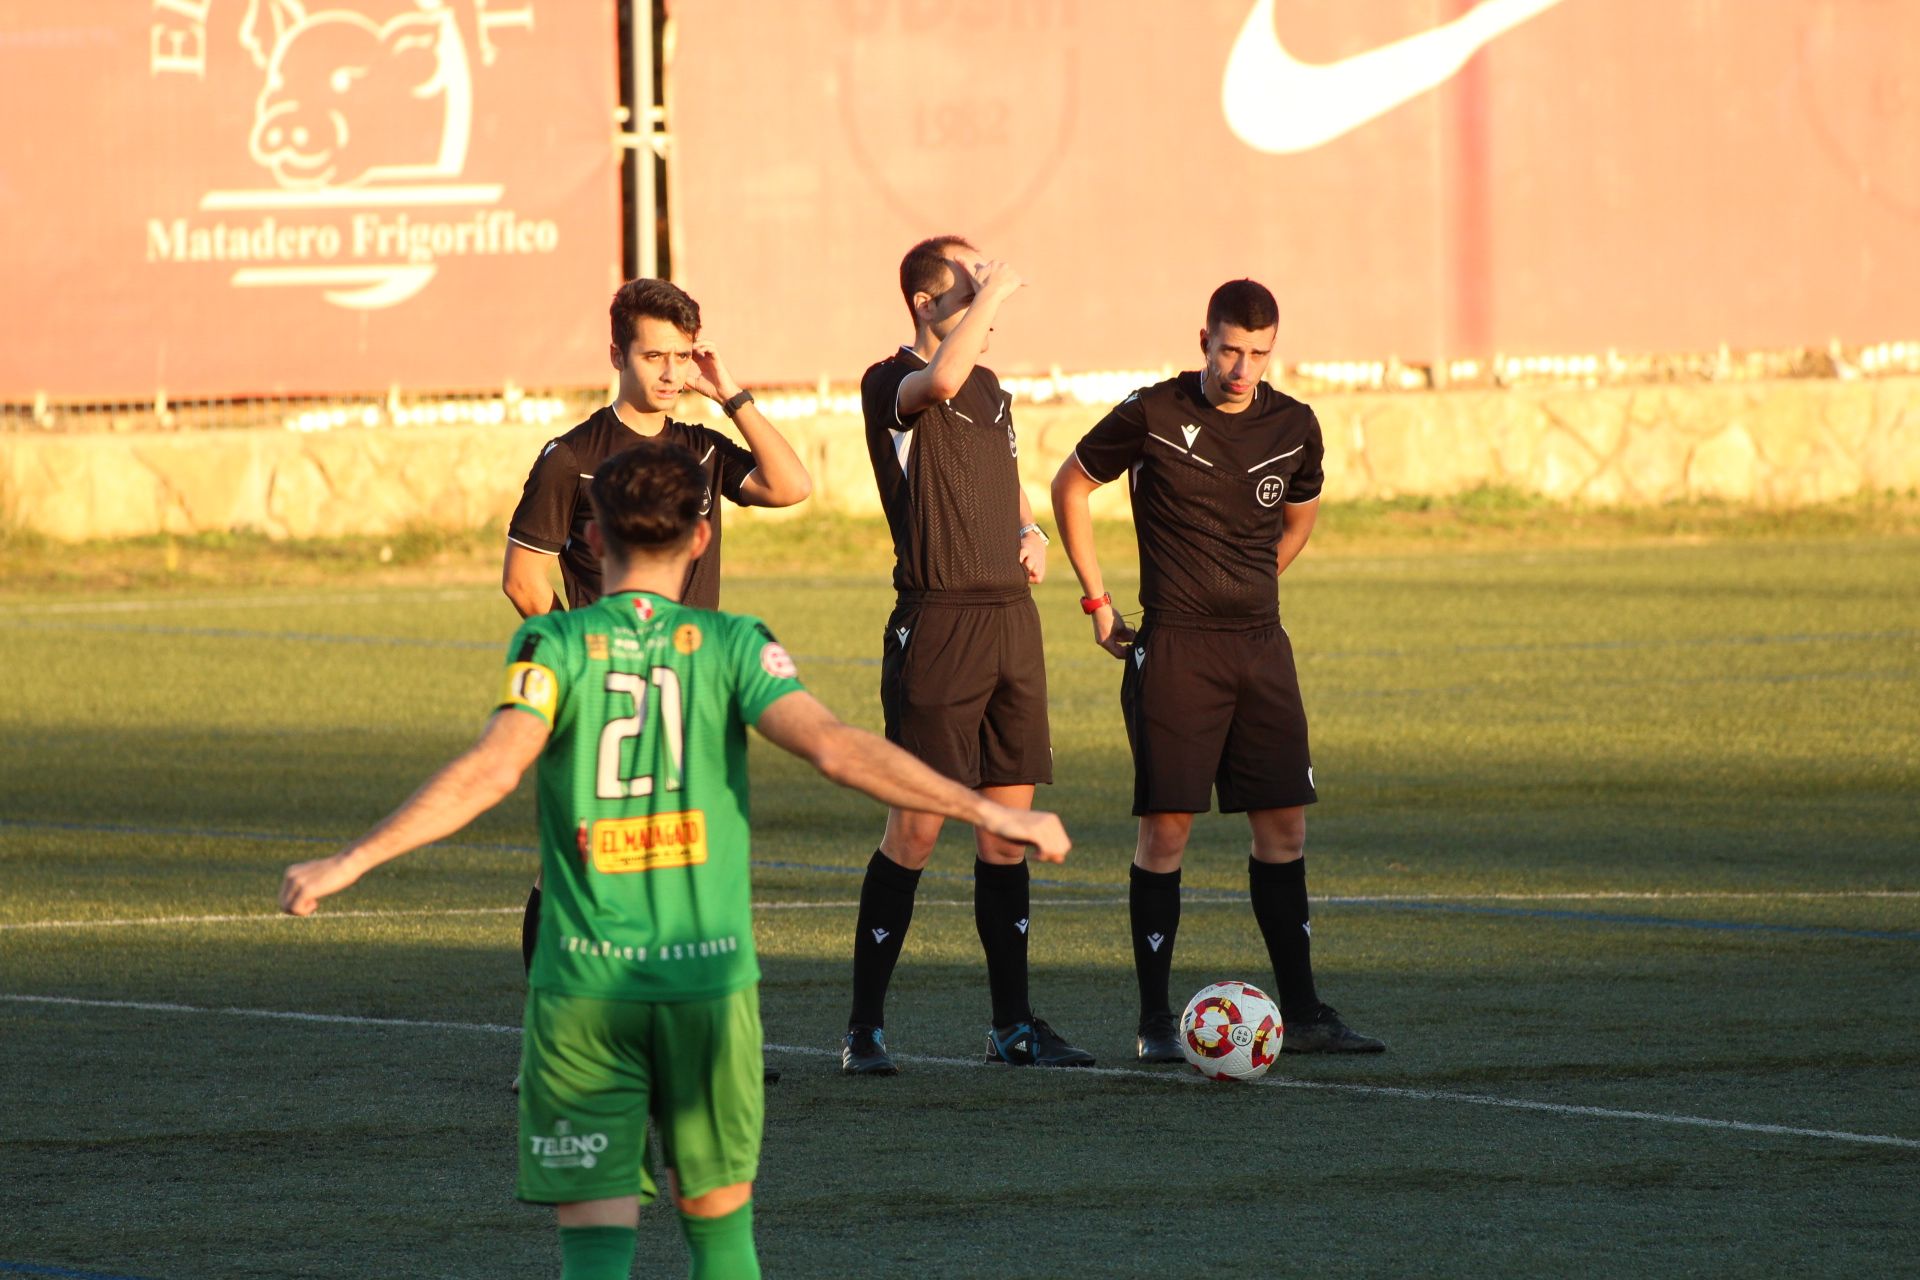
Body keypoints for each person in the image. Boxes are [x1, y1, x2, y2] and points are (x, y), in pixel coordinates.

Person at [280, 440, 1070, 1280]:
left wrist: (350, 861)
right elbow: (838, 749)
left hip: (584, 993)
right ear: (701, 538)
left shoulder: (551, 648)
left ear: (590, 537)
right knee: (721, 1236)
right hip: (705, 988)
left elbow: (492, 768)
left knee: (594, 1244)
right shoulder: (733, 645)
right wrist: (985, 808)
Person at [1049, 278, 1385, 1062]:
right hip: (1176, 649)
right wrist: (1098, 601)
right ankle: (1155, 1021)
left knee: (1285, 826)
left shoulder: (1295, 424)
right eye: (1230, 350)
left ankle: (1301, 1012)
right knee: (1167, 830)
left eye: (1259, 354)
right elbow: (1070, 485)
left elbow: (1301, 511)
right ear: (1203, 338)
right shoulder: (1153, 414)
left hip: (1262, 648)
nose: (1242, 368)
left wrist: (1260, 578)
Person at [502, 278, 812, 1040]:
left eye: (682, 356)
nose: (671, 372)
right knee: (577, 864)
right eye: (655, 356)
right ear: (617, 355)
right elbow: (522, 577)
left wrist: (729, 392)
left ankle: (685, 1032)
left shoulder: (700, 448)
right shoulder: (573, 457)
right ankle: (555, 1030)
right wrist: (590, 660)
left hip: (690, 689)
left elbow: (789, 485)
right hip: (604, 691)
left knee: (684, 856)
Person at [839, 235, 1094, 1075]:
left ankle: (1012, 1026)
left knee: (1007, 832)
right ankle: (864, 1030)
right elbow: (939, 380)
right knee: (916, 826)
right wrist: (1001, 292)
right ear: (926, 301)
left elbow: (1008, 474)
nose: (986, 285)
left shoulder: (990, 386)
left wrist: (1030, 531)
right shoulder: (895, 380)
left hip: (1009, 623)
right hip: (939, 623)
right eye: (969, 278)